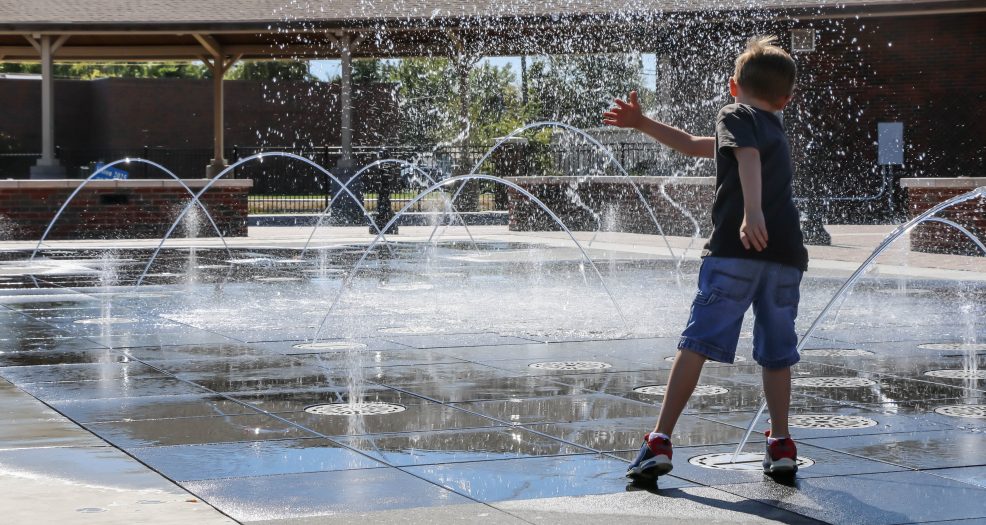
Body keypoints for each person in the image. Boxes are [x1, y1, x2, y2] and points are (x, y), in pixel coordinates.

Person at [603, 35, 808, 481]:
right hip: (785, 259)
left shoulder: (735, 114)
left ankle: (659, 438)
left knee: (695, 343)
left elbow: (747, 158)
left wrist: (750, 212)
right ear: (785, 99)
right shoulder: (774, 126)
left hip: (737, 253)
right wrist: (645, 124)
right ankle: (781, 443)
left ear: (733, 86)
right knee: (777, 353)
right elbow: (696, 145)